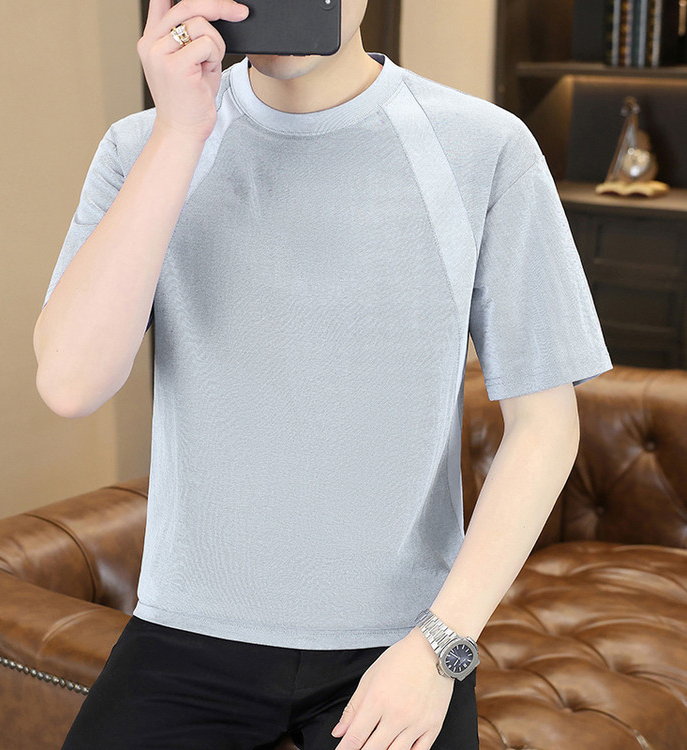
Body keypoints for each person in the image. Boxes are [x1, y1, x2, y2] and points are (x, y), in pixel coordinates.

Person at [33, 0, 613, 746]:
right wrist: (179, 132)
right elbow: (71, 384)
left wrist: (439, 647)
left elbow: (545, 426)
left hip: (401, 642)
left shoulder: (485, 147)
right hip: (187, 632)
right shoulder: (141, 146)